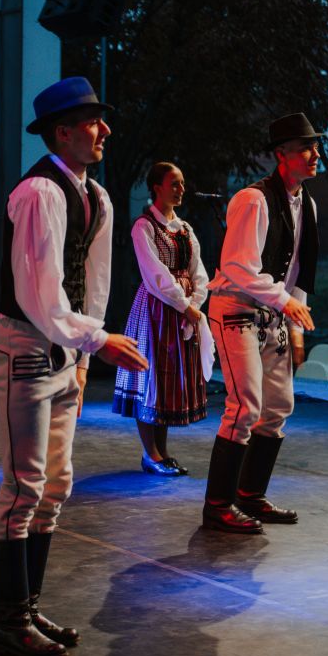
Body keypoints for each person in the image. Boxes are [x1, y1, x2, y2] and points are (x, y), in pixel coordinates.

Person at [0, 77, 148, 656]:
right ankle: (11, 622)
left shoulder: (95, 196)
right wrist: (97, 341)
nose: (104, 130)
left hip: (61, 351)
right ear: (62, 133)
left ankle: (28, 608)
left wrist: (82, 354)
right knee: (24, 486)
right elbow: (39, 296)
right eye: (91, 122)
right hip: (26, 345)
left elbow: (94, 284)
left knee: (56, 485)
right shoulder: (39, 192)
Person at [202, 113, 320, 534]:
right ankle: (218, 505)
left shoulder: (307, 203)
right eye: (305, 148)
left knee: (278, 407)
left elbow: (299, 270)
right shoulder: (253, 199)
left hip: (272, 314)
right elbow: (238, 267)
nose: (315, 154)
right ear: (282, 154)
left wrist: (295, 324)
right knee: (245, 405)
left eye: (315, 146)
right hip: (236, 308)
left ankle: (250, 494)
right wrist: (285, 302)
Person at [112, 162, 212, 476]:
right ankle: (151, 453)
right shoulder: (144, 227)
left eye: (182, 183)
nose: (181, 189)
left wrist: (194, 303)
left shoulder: (185, 229)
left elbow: (198, 271)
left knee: (168, 383)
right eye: (174, 183)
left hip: (181, 310)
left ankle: (162, 452)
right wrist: (184, 305)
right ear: (157, 187)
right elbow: (155, 274)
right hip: (156, 310)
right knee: (152, 377)